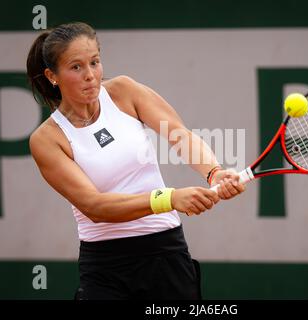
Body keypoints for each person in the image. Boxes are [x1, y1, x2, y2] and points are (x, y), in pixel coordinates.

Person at [26, 22, 245, 300]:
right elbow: (94, 206)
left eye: (95, 62)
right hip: (105, 268)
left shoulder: (124, 91)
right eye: (76, 67)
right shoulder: (47, 139)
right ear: (52, 75)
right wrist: (168, 199)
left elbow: (180, 135)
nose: (90, 75)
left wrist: (214, 173)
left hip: (164, 254)